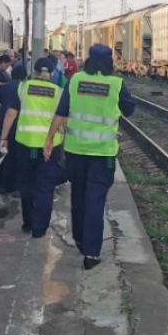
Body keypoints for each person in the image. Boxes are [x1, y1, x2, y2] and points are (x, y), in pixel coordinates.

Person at [43, 44, 136, 270]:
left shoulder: (75, 81)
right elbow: (129, 109)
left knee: (79, 196)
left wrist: (49, 140)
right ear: (110, 62)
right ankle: (92, 254)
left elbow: (61, 112)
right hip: (102, 153)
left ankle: (81, 240)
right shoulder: (116, 84)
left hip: (76, 151)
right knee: (96, 199)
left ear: (89, 60)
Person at [0, 57, 64, 237]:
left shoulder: (23, 88)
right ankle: (40, 228)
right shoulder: (58, 92)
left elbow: (11, 114)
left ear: (34, 72)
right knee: (45, 186)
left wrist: (4, 137)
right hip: (49, 147)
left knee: (26, 184)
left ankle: (28, 223)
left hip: (25, 144)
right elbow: (64, 120)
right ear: (51, 74)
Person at [0, 62, 27, 192]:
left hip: (6, 126)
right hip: (22, 127)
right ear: (26, 77)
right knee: (21, 158)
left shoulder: (5, 87)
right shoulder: (26, 89)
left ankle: (6, 184)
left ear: (11, 75)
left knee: (6, 156)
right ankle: (19, 185)